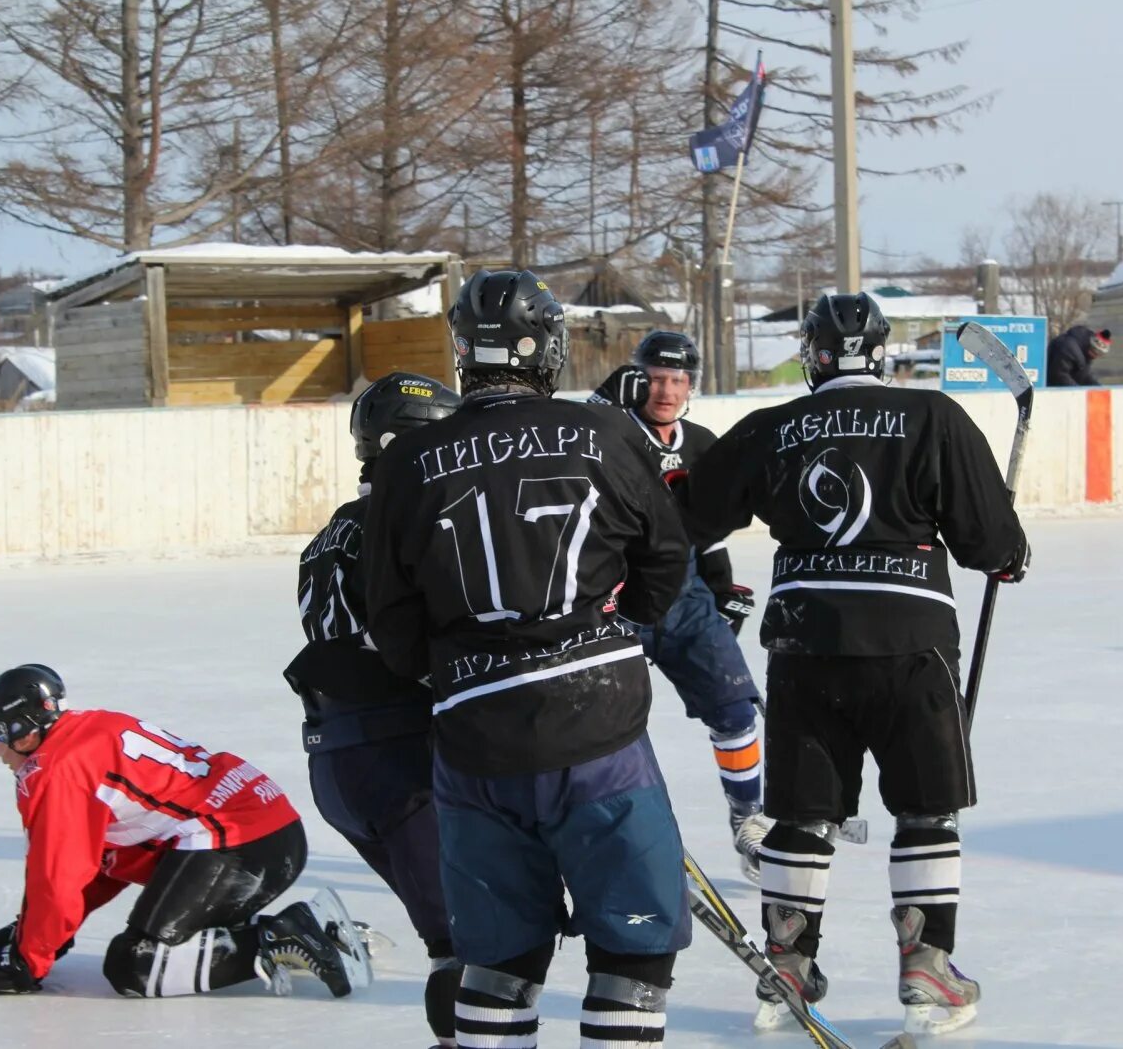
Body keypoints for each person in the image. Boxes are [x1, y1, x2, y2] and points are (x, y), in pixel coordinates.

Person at [673, 293, 1029, 1037]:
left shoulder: (773, 427)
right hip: (911, 641)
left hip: (805, 644)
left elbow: (689, 520)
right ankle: (928, 964)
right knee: (925, 807)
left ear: (813, 354)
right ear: (882, 352)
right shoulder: (934, 419)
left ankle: (788, 962)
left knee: (804, 812)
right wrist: (1011, 550)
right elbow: (988, 543)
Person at [362, 269, 693, 1049]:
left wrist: (458, 666)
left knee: (500, 959)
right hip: (599, 734)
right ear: (547, 347)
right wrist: (618, 622)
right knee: (634, 949)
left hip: (475, 742)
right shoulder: (606, 430)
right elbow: (665, 562)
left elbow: (395, 628)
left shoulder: (407, 462)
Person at [0, 664, 370, 1000]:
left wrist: (25, 961)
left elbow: (58, 878)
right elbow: (99, 866)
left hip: (236, 844)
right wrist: (36, 939)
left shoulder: (54, 771)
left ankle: (285, 937)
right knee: (161, 945)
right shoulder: (89, 730)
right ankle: (319, 937)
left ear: (27, 727)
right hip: (266, 832)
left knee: (136, 965)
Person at [288, 371, 463, 1047]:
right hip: (401, 756)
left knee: (467, 934)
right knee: (467, 943)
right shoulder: (406, 520)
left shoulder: (331, 532)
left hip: (337, 760)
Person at [590, 330, 771, 880]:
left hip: (686, 593)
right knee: (601, 726)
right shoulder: (612, 432)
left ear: (692, 385)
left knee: (736, 708)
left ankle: (750, 819)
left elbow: (709, 527)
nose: (665, 390)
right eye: (655, 378)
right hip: (614, 592)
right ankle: (608, 828)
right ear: (637, 378)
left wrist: (720, 589)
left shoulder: (702, 444)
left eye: (676, 380)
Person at [1046, 323, 1111, 386]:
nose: (1096, 356)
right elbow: (1059, 375)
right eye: (1096, 352)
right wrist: (1078, 392)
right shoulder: (1069, 348)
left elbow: (1084, 377)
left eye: (1099, 354)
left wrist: (1099, 389)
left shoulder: (1084, 354)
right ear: (1091, 346)